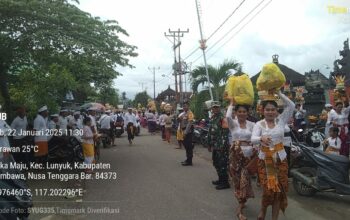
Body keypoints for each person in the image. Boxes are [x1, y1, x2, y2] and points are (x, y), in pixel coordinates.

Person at [251, 90, 295, 220]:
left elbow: (291, 105)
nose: (270, 112)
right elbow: (252, 138)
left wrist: (279, 93)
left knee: (279, 191)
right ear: (262, 111)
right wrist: (261, 138)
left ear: (277, 111)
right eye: (267, 109)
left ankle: (274, 218)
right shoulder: (259, 124)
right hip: (265, 161)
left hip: (280, 160)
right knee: (268, 190)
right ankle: (263, 209)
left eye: (272, 109)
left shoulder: (281, 121)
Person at [226, 99, 256, 219]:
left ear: (247, 113)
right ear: (236, 113)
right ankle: (242, 200)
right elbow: (228, 116)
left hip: (248, 157)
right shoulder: (233, 123)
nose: (242, 113)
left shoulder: (252, 125)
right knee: (237, 181)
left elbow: (255, 139)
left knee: (245, 180)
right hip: (235, 156)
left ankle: (240, 209)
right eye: (240, 111)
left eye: (244, 111)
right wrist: (231, 104)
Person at [207, 101, 230, 189]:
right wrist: (209, 144)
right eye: (214, 107)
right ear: (211, 109)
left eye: (217, 107)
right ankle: (220, 179)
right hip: (215, 145)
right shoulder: (213, 118)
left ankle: (225, 182)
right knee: (216, 162)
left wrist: (222, 146)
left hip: (221, 146)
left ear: (219, 108)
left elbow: (225, 133)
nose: (215, 109)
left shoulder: (222, 118)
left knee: (222, 164)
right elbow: (210, 132)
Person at [179, 101, 194, 166]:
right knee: (186, 146)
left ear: (188, 106)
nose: (184, 107)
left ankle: (189, 161)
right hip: (183, 130)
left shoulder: (190, 113)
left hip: (188, 132)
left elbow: (189, 123)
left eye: (185, 106)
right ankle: (188, 159)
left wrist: (185, 132)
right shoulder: (184, 114)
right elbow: (181, 121)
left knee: (188, 146)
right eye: (183, 106)